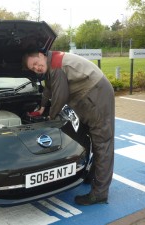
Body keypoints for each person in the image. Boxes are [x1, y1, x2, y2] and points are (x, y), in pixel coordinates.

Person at [22, 50, 115, 206]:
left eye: (36, 63)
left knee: (102, 142)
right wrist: (42, 107)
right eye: (33, 68)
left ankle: (99, 193)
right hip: (86, 96)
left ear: (41, 55)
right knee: (90, 137)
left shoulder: (57, 66)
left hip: (96, 95)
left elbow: (60, 96)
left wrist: (50, 119)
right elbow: (49, 88)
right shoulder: (52, 64)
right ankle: (92, 175)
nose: (36, 68)